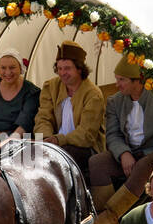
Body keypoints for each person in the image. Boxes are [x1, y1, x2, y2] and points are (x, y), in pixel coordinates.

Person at [91, 54, 153, 224]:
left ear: (138, 81)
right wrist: (123, 153)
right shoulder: (115, 101)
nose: (117, 84)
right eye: (117, 79)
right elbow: (112, 134)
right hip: (128, 150)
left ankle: (109, 217)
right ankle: (102, 216)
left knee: (143, 167)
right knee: (97, 162)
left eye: (122, 80)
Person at [34, 41, 105, 174]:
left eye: (67, 68)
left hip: (83, 147)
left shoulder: (93, 94)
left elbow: (86, 134)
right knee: (28, 157)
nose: (62, 73)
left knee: (57, 160)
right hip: (54, 142)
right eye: (59, 68)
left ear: (79, 69)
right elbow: (43, 117)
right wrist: (46, 138)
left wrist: (58, 140)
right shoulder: (51, 86)